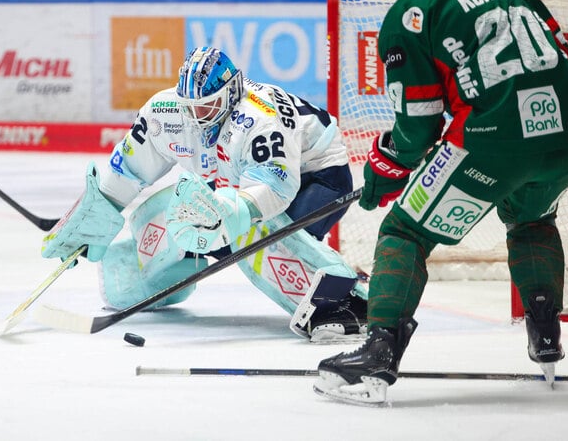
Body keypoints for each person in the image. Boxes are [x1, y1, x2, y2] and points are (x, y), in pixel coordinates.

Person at [314, 0, 568, 405]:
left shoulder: (408, 13)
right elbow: (564, 55)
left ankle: (377, 356)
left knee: (405, 229)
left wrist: (387, 163)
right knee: (531, 218)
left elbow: (419, 128)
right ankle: (546, 335)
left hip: (496, 142)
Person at [41, 47, 368, 343]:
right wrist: (95, 216)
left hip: (318, 177)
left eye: (208, 107)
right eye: (192, 108)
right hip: (237, 180)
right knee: (186, 212)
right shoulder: (164, 113)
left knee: (257, 238)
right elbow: (127, 169)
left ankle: (349, 300)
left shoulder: (259, 119)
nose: (198, 118)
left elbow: (275, 186)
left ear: (232, 94)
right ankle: (137, 274)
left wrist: (232, 215)